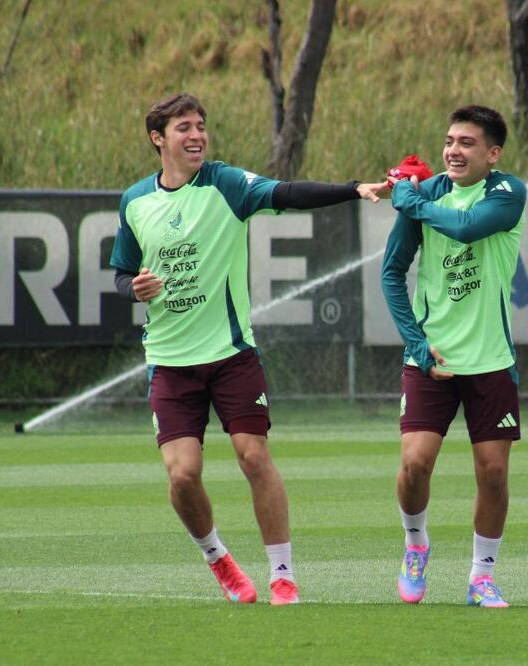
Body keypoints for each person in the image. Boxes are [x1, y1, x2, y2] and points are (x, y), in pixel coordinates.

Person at [109, 92, 389, 605]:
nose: (197, 135)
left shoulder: (226, 183)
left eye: (200, 125)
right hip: (170, 363)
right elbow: (121, 274)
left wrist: (353, 188)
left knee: (254, 456)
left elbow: (288, 192)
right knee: (182, 475)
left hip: (232, 355)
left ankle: (283, 575)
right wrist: (134, 288)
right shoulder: (136, 201)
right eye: (183, 128)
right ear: (157, 139)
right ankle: (217, 557)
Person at [380, 105, 526, 608]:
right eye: (448, 141)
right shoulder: (425, 193)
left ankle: (481, 577)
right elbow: (391, 273)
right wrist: (416, 344)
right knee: (414, 465)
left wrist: (409, 199)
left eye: (466, 142)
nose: (453, 151)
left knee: (494, 473)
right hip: (431, 359)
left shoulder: (508, 192)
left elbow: (466, 227)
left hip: (491, 361)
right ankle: (415, 544)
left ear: (493, 153)